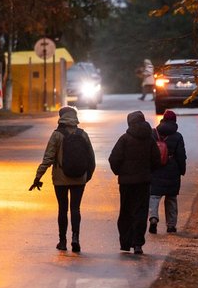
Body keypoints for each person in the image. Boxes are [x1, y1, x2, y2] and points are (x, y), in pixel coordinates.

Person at [30, 106, 95, 253]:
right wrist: (86, 176)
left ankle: (62, 241)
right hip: (79, 179)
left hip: (60, 179)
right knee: (76, 208)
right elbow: (91, 158)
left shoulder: (57, 135)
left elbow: (48, 158)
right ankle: (75, 238)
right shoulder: (83, 134)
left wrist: (38, 177)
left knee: (62, 209)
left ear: (61, 117)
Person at [108, 110, 162, 254]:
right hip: (143, 181)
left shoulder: (124, 139)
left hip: (126, 183)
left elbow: (113, 159)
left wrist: (120, 172)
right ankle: (138, 243)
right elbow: (157, 159)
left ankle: (126, 243)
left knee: (126, 211)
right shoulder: (149, 140)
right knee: (140, 211)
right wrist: (149, 171)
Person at [148, 109, 187, 234]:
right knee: (171, 198)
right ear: (174, 121)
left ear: (163, 119)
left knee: (154, 196)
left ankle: (153, 217)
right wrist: (182, 169)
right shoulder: (177, 136)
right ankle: (171, 225)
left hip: (156, 168)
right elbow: (181, 155)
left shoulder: (153, 133)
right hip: (172, 170)